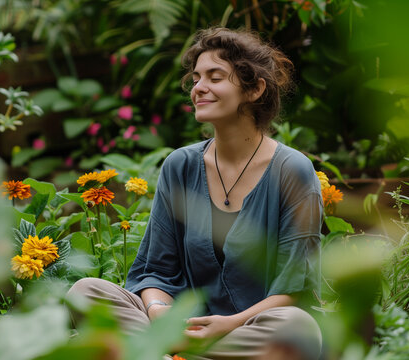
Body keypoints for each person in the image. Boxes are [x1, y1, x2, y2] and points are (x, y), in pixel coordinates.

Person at [68, 27, 323, 360]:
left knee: (297, 328)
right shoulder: (180, 166)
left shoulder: (292, 171)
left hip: (253, 326)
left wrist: (227, 324)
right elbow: (155, 270)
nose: (198, 88)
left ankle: (162, 353)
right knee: (85, 291)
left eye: (215, 78)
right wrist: (160, 312)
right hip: (183, 326)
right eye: (196, 78)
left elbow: (293, 288)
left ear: (255, 89)